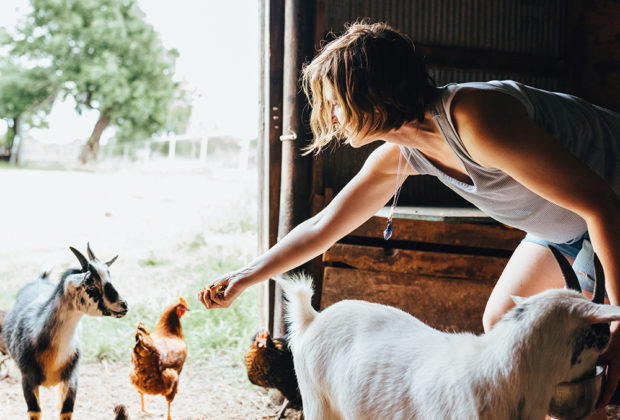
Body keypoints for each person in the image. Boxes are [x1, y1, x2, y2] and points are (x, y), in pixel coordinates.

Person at [199, 21, 620, 415]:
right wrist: (245, 276)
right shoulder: (402, 152)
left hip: (607, 209)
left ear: (370, 94)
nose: (330, 118)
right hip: (562, 227)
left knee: (585, 359)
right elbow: (321, 226)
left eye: (334, 103)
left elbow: (600, 204)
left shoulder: (475, 119)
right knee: (501, 326)